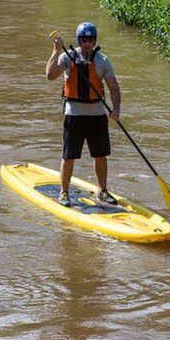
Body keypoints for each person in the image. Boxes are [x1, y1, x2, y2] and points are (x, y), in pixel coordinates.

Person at [45, 22, 122, 208]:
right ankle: (64, 193)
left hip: (97, 115)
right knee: (68, 156)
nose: (87, 44)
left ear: (95, 41)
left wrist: (116, 108)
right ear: (79, 40)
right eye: (84, 40)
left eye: (90, 40)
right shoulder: (67, 56)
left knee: (100, 155)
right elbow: (50, 75)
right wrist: (55, 51)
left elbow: (113, 86)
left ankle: (103, 191)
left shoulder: (103, 60)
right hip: (74, 115)